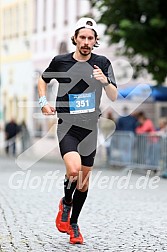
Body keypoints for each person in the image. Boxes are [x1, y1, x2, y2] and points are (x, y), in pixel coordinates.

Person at [38, 17, 117, 244]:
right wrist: (43, 101)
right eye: (82, 37)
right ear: (75, 38)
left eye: (90, 38)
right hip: (68, 126)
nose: (85, 41)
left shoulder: (102, 62)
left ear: (95, 41)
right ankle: (66, 202)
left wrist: (104, 81)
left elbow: (113, 96)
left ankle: (74, 224)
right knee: (73, 171)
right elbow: (42, 81)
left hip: (90, 128)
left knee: (83, 182)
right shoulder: (60, 61)